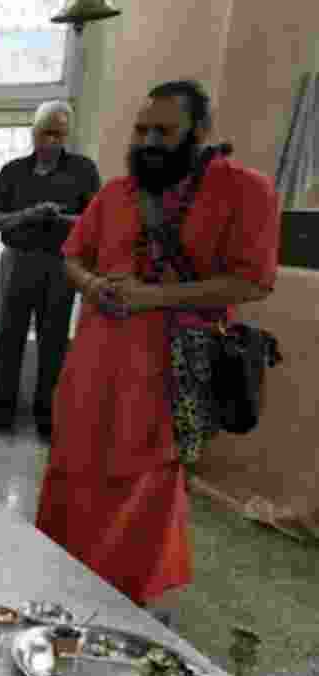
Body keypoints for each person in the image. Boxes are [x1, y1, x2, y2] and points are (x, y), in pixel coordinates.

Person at [36, 80, 278, 612]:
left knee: (143, 480)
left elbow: (254, 281)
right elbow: (74, 257)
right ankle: (60, 586)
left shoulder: (245, 190)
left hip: (169, 370)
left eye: (164, 132)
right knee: (74, 467)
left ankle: (128, 603)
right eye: (142, 130)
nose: (149, 141)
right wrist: (95, 285)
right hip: (96, 359)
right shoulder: (116, 193)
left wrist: (155, 297)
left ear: (200, 132)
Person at [0, 100, 102, 439]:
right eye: (45, 133)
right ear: (33, 132)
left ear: (67, 135)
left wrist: (61, 219)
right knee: (7, 339)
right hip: (16, 260)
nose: (51, 142)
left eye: (59, 135)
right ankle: (0, 411)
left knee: (54, 343)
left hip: (61, 266)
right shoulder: (13, 170)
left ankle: (47, 415)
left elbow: (98, 222)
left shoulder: (83, 170)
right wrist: (28, 214)